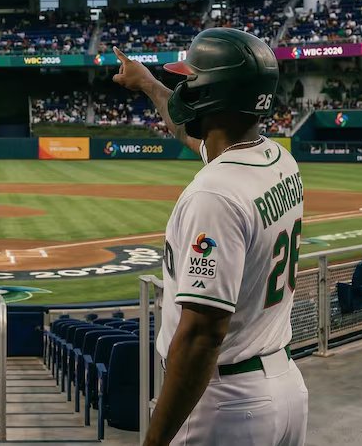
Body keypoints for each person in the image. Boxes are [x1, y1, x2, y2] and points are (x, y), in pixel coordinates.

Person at [111, 28, 308, 446]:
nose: (184, 88)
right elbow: (192, 135)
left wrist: (155, 440)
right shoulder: (277, 159)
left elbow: (203, 336)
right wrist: (148, 83)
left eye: (190, 80)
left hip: (226, 402)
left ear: (210, 94)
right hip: (285, 385)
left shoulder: (214, 194)